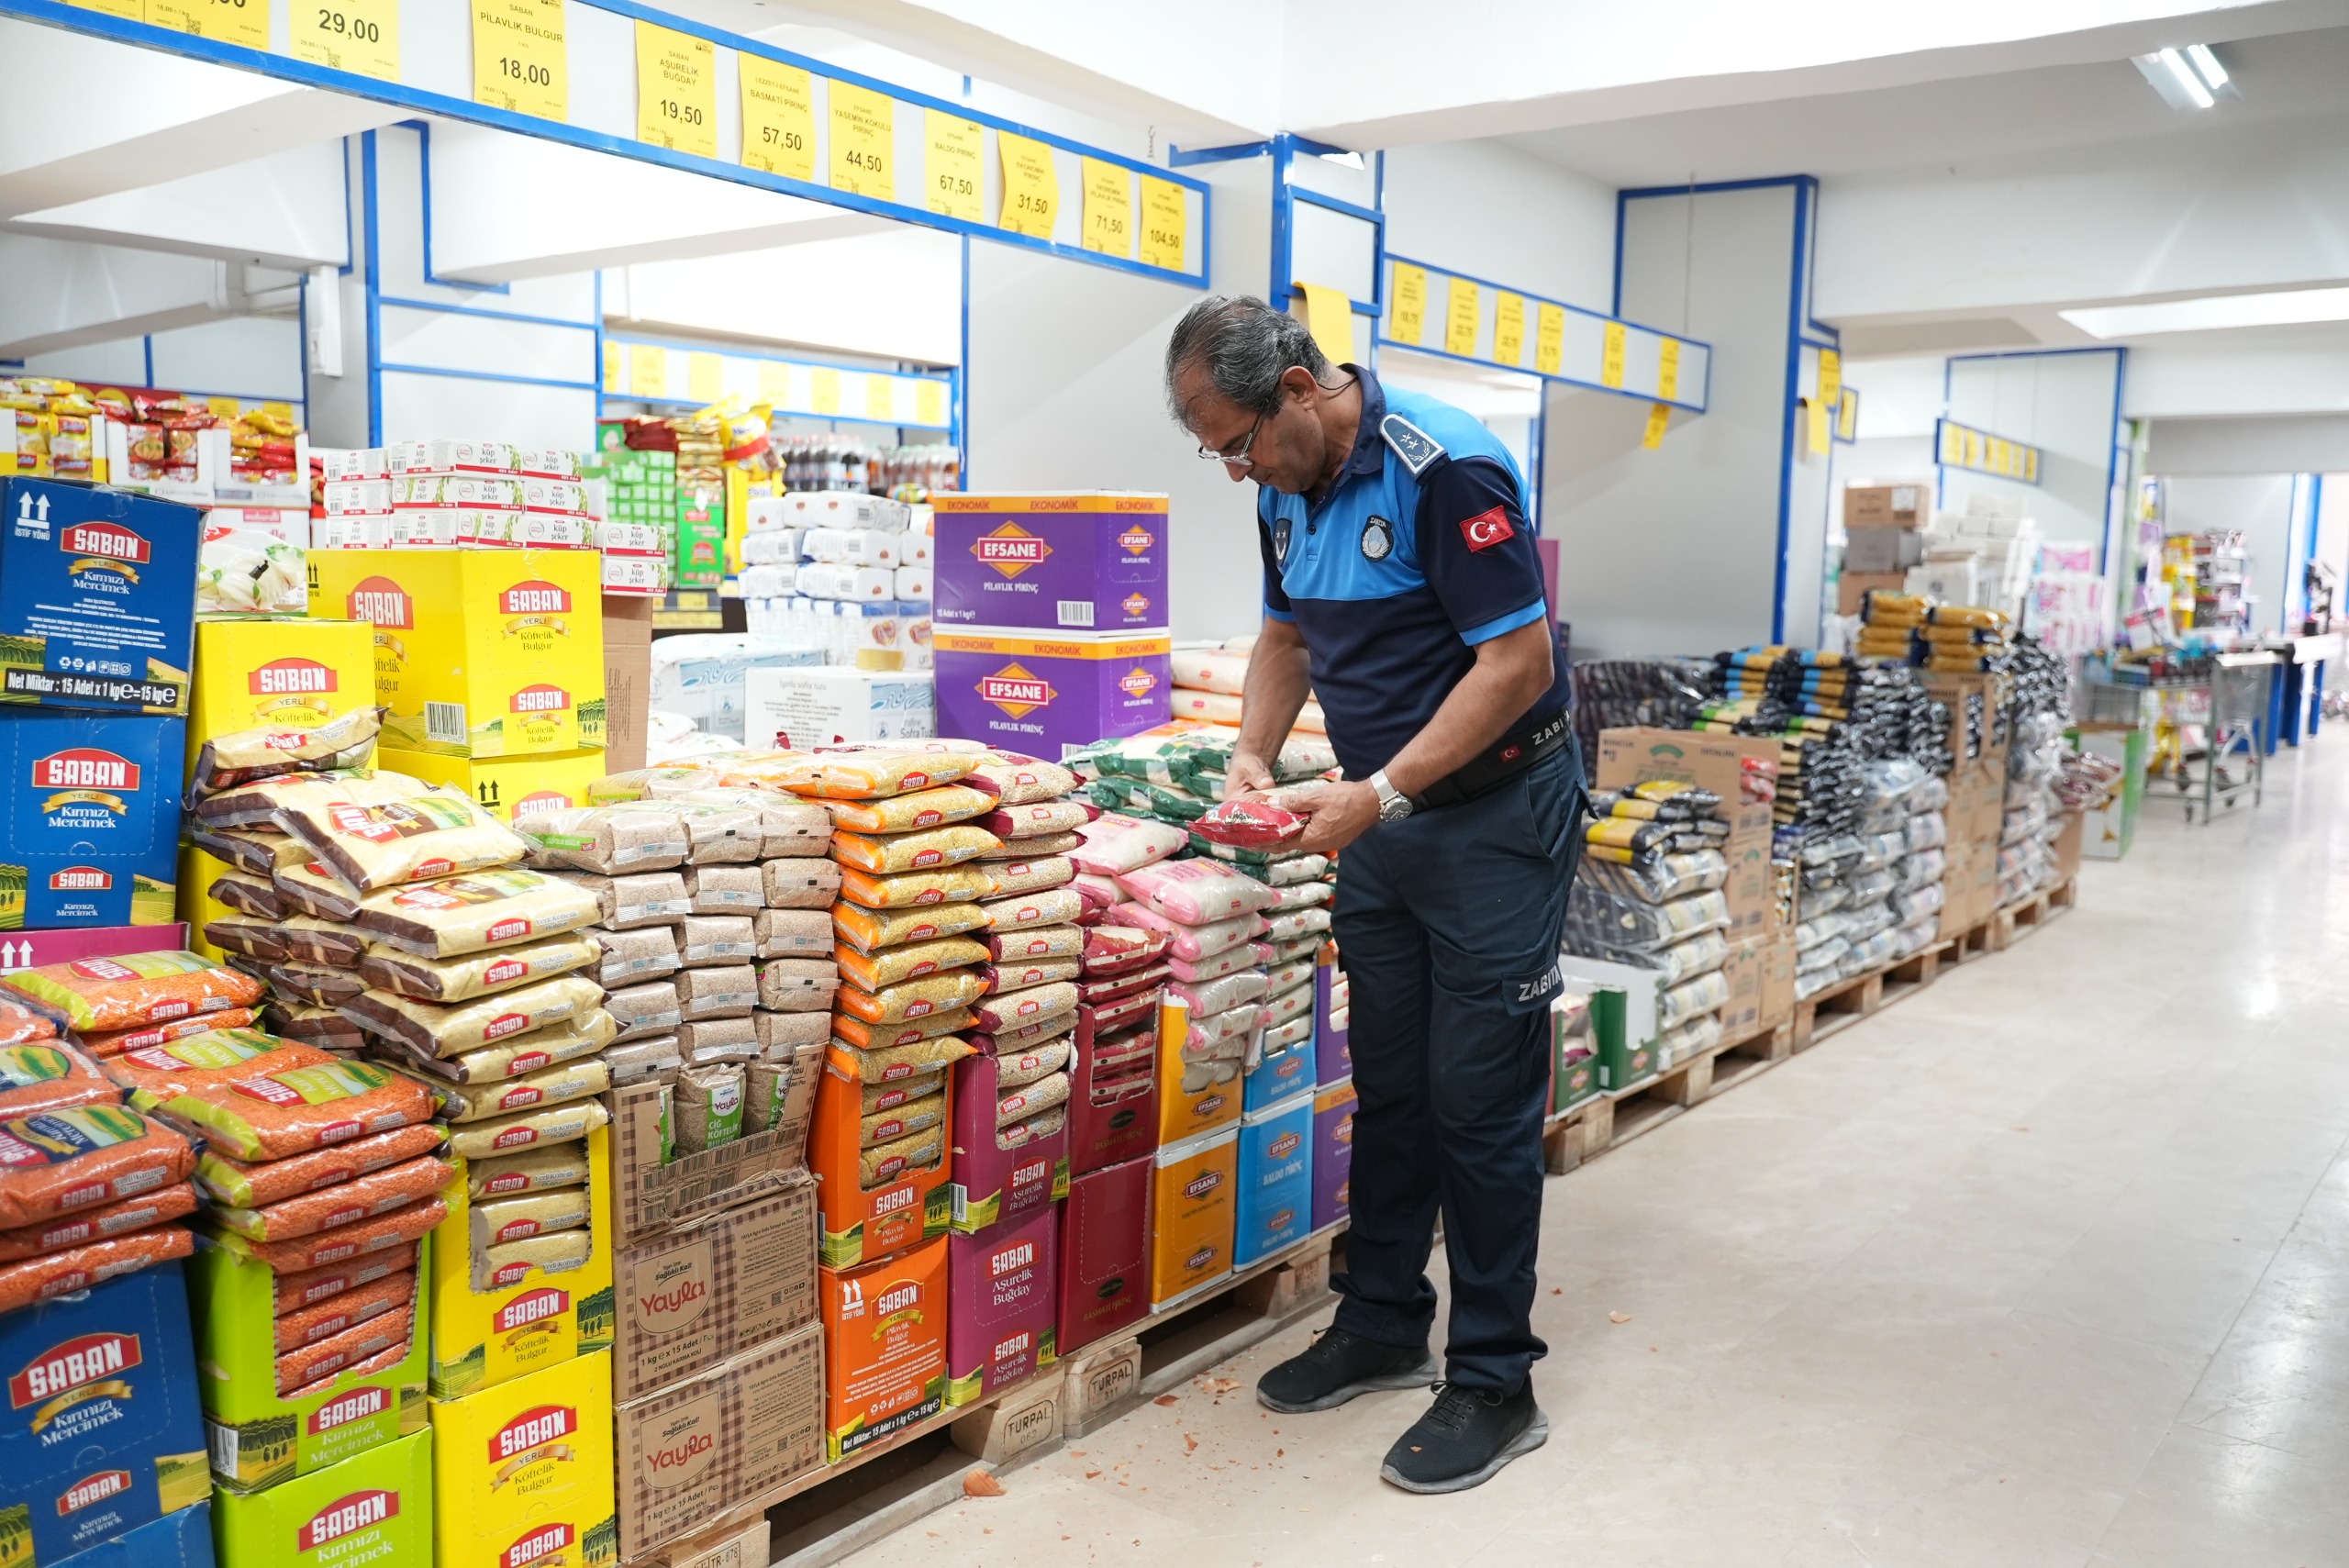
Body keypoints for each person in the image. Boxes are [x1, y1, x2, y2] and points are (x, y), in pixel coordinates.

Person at [1162, 295, 1584, 1494]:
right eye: (1219, 453)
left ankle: (1495, 1378)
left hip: (1494, 819)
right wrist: (1256, 751)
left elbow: (1519, 662)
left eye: (1239, 440)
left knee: (1478, 1095)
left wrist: (1383, 791)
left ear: (1301, 388)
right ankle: (1383, 1316)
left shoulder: (1444, 468)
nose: (1238, 467)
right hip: (1384, 824)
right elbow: (1287, 640)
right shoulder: (1280, 492)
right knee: (1391, 1079)